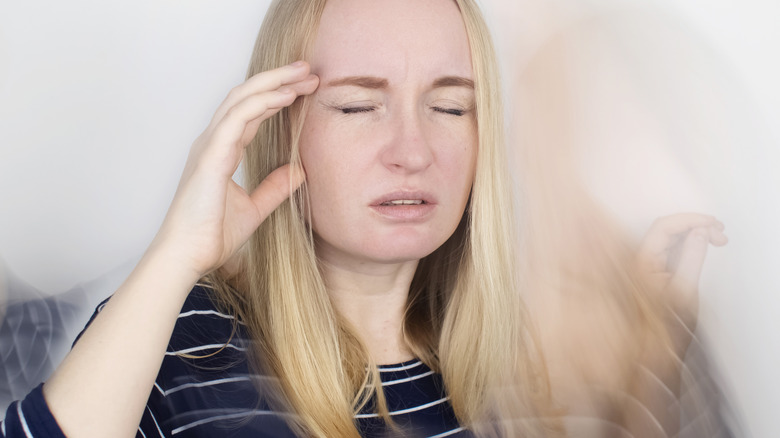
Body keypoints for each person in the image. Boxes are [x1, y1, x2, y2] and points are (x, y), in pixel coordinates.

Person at [0, 0, 727, 437]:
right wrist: (176, 253)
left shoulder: (523, 370)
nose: (412, 151)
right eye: (357, 105)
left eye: (450, 108)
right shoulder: (176, 346)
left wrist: (648, 363)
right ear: (280, 127)